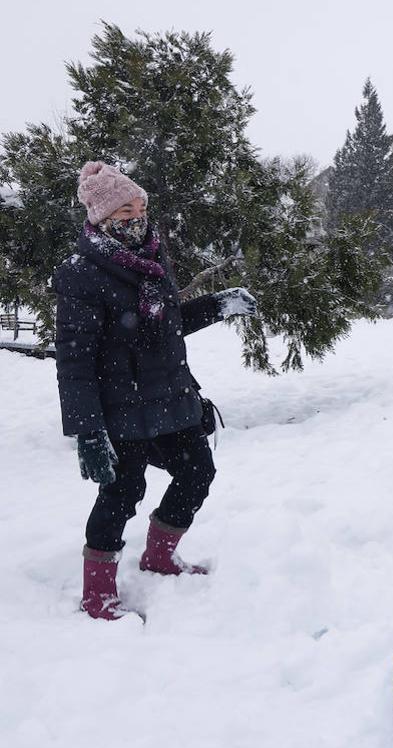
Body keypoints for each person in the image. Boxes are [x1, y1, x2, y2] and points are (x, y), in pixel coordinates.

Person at [55, 161, 258, 621]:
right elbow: (75, 361)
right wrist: (88, 432)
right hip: (120, 407)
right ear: (102, 216)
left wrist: (216, 305)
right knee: (121, 493)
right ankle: (98, 594)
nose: (138, 215)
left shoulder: (150, 256)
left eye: (141, 205)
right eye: (126, 208)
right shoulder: (81, 272)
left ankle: (159, 557)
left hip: (170, 399)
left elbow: (165, 327)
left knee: (197, 473)